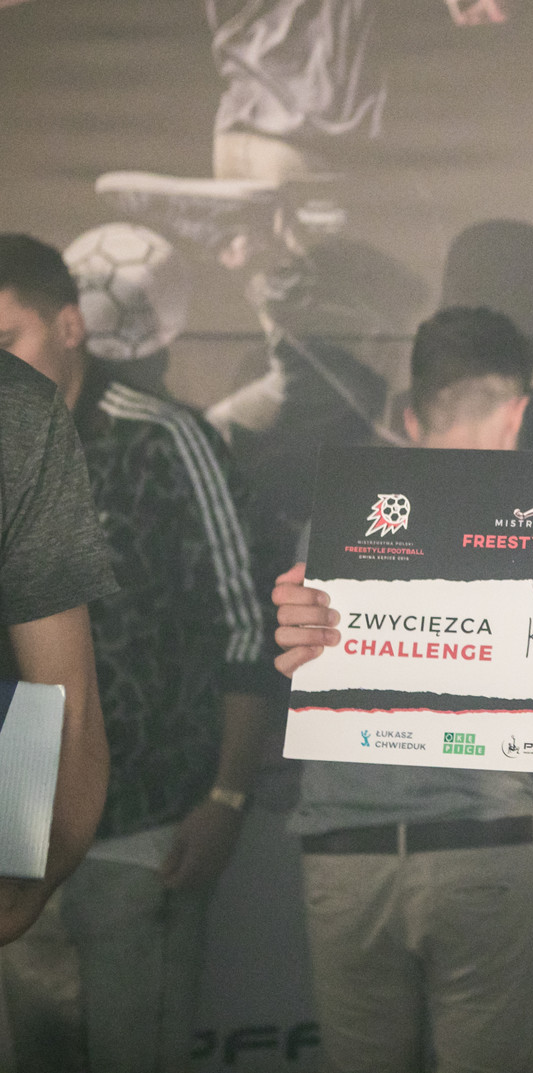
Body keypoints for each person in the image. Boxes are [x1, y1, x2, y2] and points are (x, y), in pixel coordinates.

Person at [279, 306, 533, 1073]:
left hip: (349, 857)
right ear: (519, 414)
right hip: (486, 849)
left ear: (410, 416)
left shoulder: (334, 523)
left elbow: (294, 664)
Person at [0, 234, 275, 1072]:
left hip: (146, 824)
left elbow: (243, 623)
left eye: (7, 340)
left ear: (71, 326)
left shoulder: (163, 436)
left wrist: (227, 795)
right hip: (14, 824)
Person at [0, 351, 118, 945]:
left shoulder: (15, 404)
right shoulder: (15, 401)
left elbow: (67, 700)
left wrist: (34, 874)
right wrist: (34, 877)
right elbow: (69, 700)